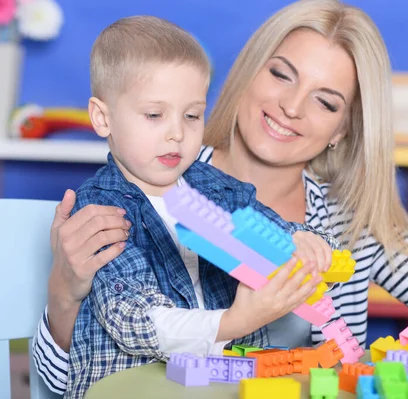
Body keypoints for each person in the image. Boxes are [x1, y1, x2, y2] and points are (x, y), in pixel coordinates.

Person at [33, 0, 408, 393]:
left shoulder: (350, 224)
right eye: (280, 74)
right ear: (250, 71)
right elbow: (62, 384)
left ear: (343, 128)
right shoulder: (151, 187)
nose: (291, 107)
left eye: (325, 101)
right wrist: (63, 291)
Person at [56, 15, 337, 399]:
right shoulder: (101, 210)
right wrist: (236, 321)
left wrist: (307, 242)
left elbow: (272, 230)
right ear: (103, 118)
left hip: (224, 384)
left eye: (192, 115)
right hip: (132, 388)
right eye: (155, 115)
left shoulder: (216, 188)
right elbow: (135, 320)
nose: (177, 132)